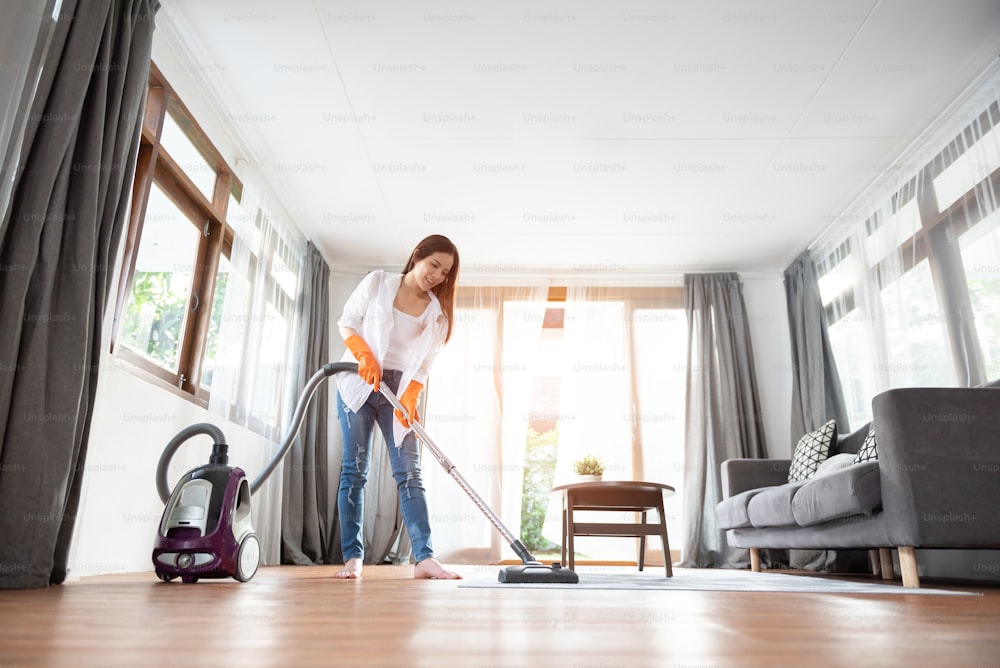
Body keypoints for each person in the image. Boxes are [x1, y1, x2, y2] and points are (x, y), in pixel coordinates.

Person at [333, 234, 462, 580]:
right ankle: (353, 558)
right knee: (355, 470)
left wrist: (410, 396)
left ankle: (424, 558)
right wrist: (363, 354)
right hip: (358, 381)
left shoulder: (439, 317)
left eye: (445, 272)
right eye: (434, 264)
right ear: (417, 256)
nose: (437, 275)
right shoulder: (377, 282)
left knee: (409, 472)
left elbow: (423, 366)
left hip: (398, 391)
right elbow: (347, 321)